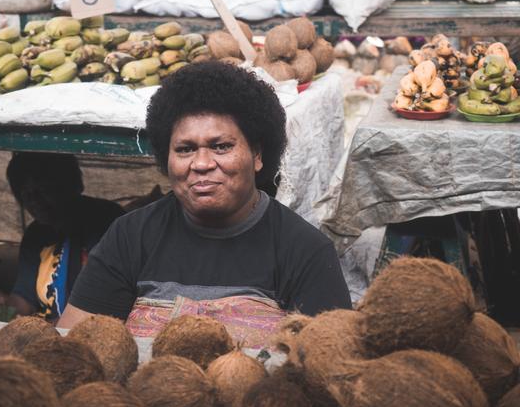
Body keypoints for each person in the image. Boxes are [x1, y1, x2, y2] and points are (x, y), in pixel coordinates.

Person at [58, 63, 351, 347]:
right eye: (185, 149)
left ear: (257, 154)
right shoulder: (130, 236)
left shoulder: (305, 251)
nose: (201, 164)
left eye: (221, 146)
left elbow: (328, 367)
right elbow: (74, 350)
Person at [6, 153, 124, 322]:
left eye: (44, 190)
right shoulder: (35, 235)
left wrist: (50, 330)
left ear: (69, 185)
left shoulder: (107, 221)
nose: (35, 202)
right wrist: (4, 313)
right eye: (27, 195)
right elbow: (23, 297)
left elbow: (106, 300)